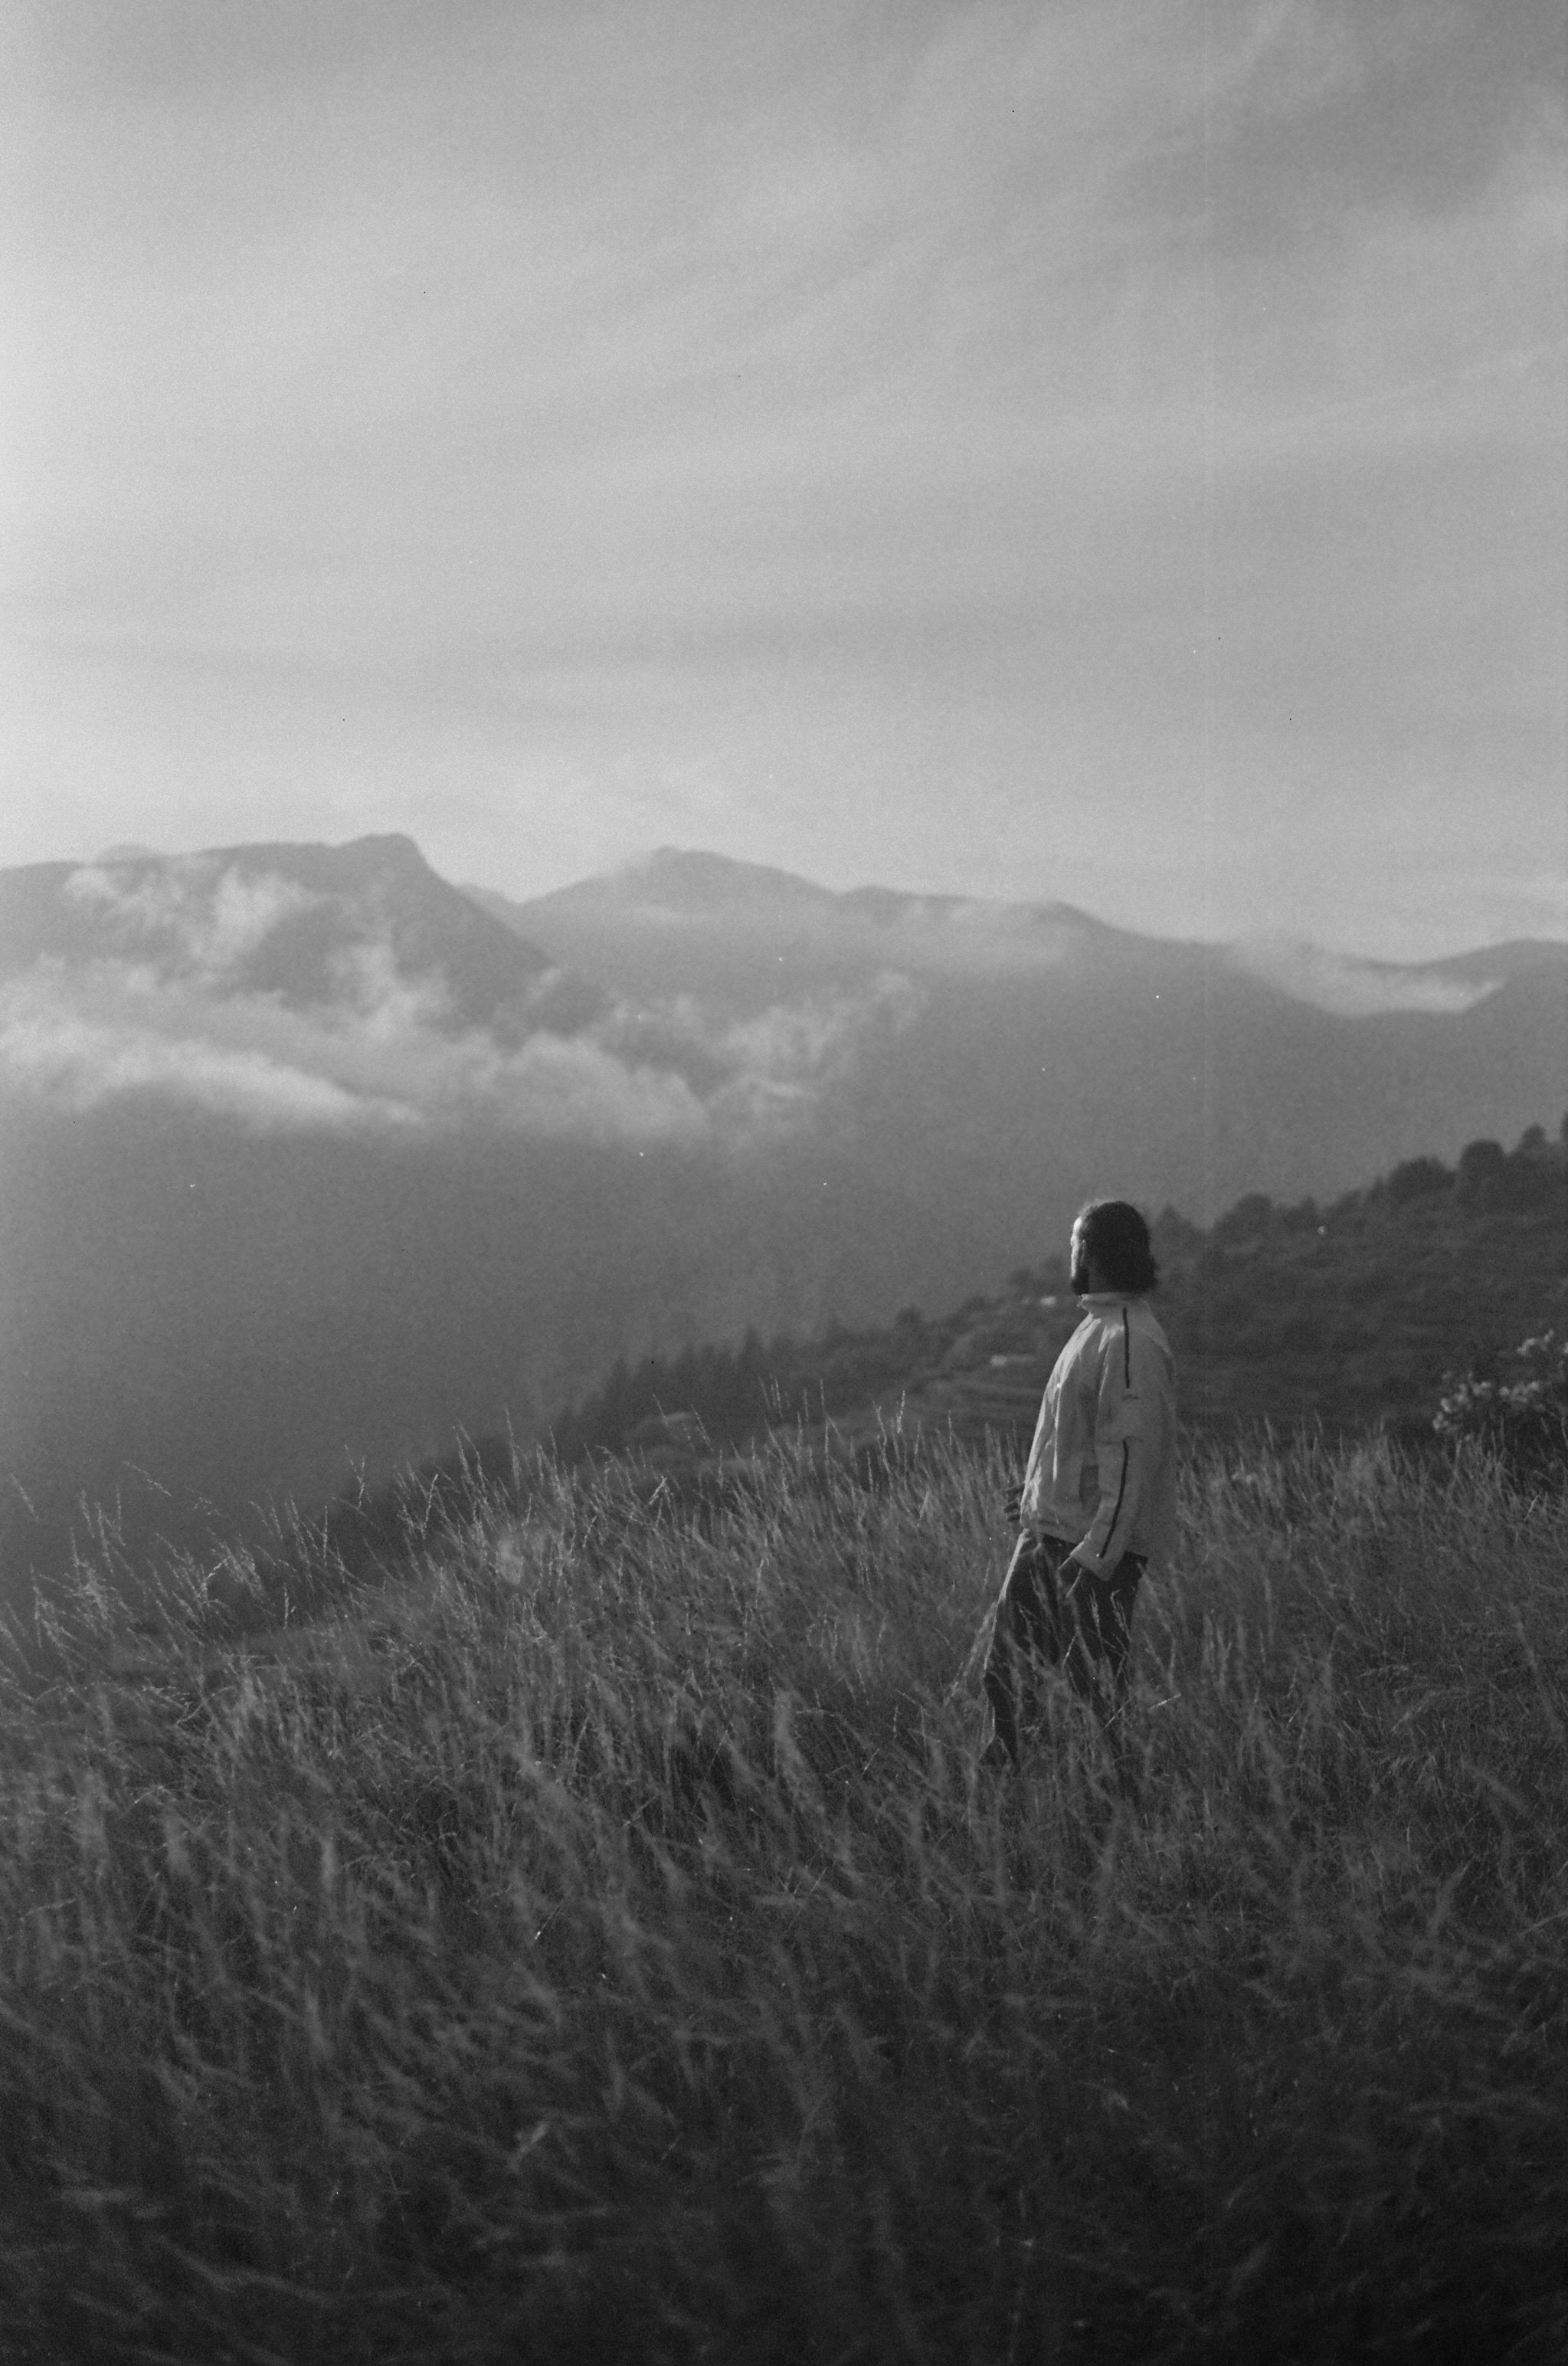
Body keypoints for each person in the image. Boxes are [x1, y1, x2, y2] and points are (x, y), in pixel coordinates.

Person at [982, 1198, 1177, 1767]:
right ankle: (1018, 1795)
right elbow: (1084, 1442)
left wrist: (1093, 1562)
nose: (1069, 1254)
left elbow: (1130, 1458)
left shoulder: (1127, 1341)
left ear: (1089, 1252)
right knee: (1009, 1681)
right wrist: (1035, 1494)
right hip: (1053, 1536)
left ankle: (1113, 1803)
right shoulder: (1098, 1329)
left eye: (1074, 1243)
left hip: (1084, 1553)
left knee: (1095, 1701)